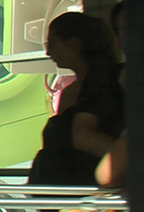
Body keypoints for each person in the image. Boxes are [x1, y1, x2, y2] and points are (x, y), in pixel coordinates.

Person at [29, 12, 124, 188]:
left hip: (88, 195)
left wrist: (127, 161)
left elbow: (82, 137)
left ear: (74, 44)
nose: (48, 52)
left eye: (53, 43)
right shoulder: (76, 90)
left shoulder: (105, 85)